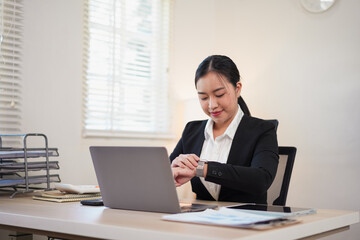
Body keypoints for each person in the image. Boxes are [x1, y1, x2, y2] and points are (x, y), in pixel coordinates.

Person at [170, 55, 279, 204]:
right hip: (201, 220)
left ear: (237, 89)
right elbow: (163, 175)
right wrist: (174, 166)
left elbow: (261, 180)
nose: (211, 105)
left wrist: (202, 168)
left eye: (219, 94)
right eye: (203, 97)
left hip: (246, 220)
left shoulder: (262, 130)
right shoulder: (192, 130)